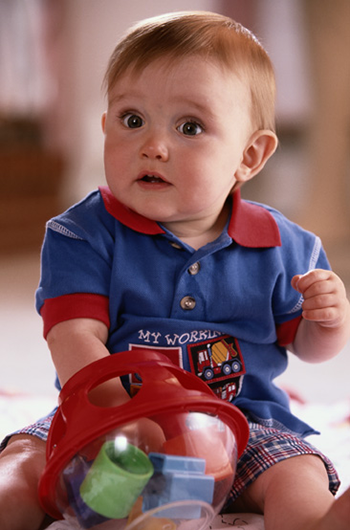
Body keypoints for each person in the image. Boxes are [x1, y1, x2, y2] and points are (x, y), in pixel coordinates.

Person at [0, 11, 349, 530]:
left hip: (244, 423)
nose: (153, 145)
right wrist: (124, 414)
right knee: (25, 463)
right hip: (109, 415)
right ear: (105, 126)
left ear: (249, 155)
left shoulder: (284, 245)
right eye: (132, 119)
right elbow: (73, 335)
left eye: (190, 127)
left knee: (296, 477)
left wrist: (329, 320)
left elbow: (308, 347)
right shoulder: (82, 234)